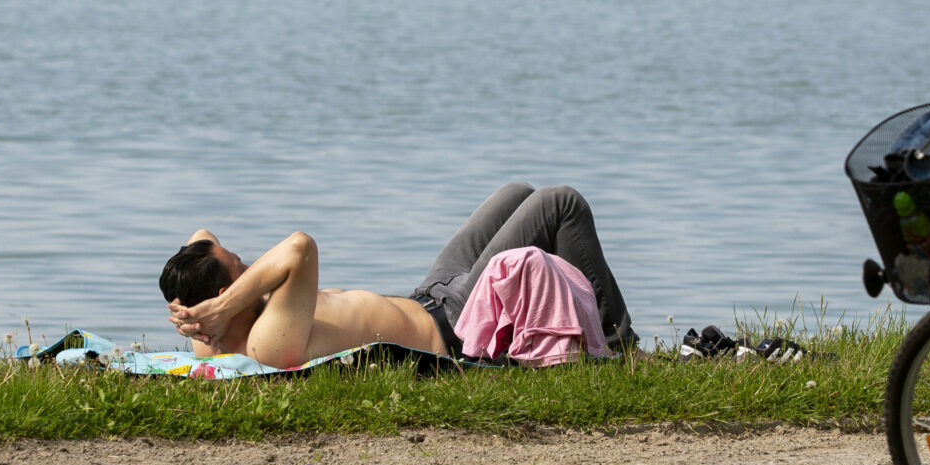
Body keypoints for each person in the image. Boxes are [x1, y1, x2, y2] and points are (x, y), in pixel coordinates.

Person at [158, 183, 636, 369]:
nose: (250, 268)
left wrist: (204, 306)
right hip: (453, 320)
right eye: (239, 266)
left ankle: (572, 321)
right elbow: (300, 246)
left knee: (517, 194)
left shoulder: (212, 329)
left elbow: (201, 236)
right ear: (223, 296)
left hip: (429, 292)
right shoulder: (265, 341)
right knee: (561, 204)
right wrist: (220, 305)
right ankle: (618, 344)